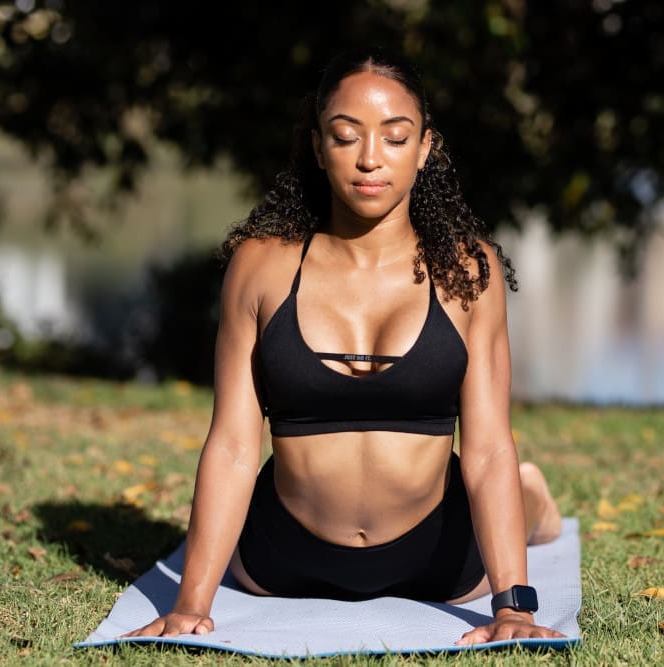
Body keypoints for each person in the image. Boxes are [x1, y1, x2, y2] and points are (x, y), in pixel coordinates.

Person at [126, 47, 564, 644]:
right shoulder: (260, 268)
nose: (368, 159)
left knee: (512, 485)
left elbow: (486, 449)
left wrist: (513, 605)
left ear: (425, 147)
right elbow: (232, 442)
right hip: (281, 559)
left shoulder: (468, 273)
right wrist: (189, 604)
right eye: (345, 135)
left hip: (440, 561)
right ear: (317, 146)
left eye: (394, 136)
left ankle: (533, 498)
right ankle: (528, 493)